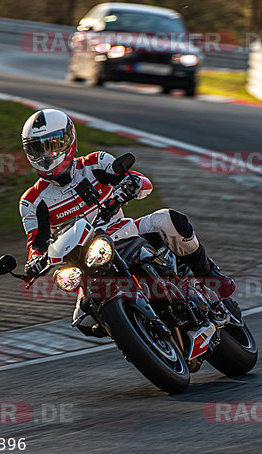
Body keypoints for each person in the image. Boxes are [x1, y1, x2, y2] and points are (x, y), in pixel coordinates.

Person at [18, 108, 235, 334]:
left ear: (69, 139)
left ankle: (208, 274)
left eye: (52, 145)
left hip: (125, 232)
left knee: (170, 220)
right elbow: (36, 243)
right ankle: (139, 332)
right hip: (86, 262)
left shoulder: (95, 163)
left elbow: (142, 182)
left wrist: (131, 184)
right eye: (37, 148)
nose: (46, 155)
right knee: (84, 322)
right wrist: (34, 263)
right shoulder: (32, 201)